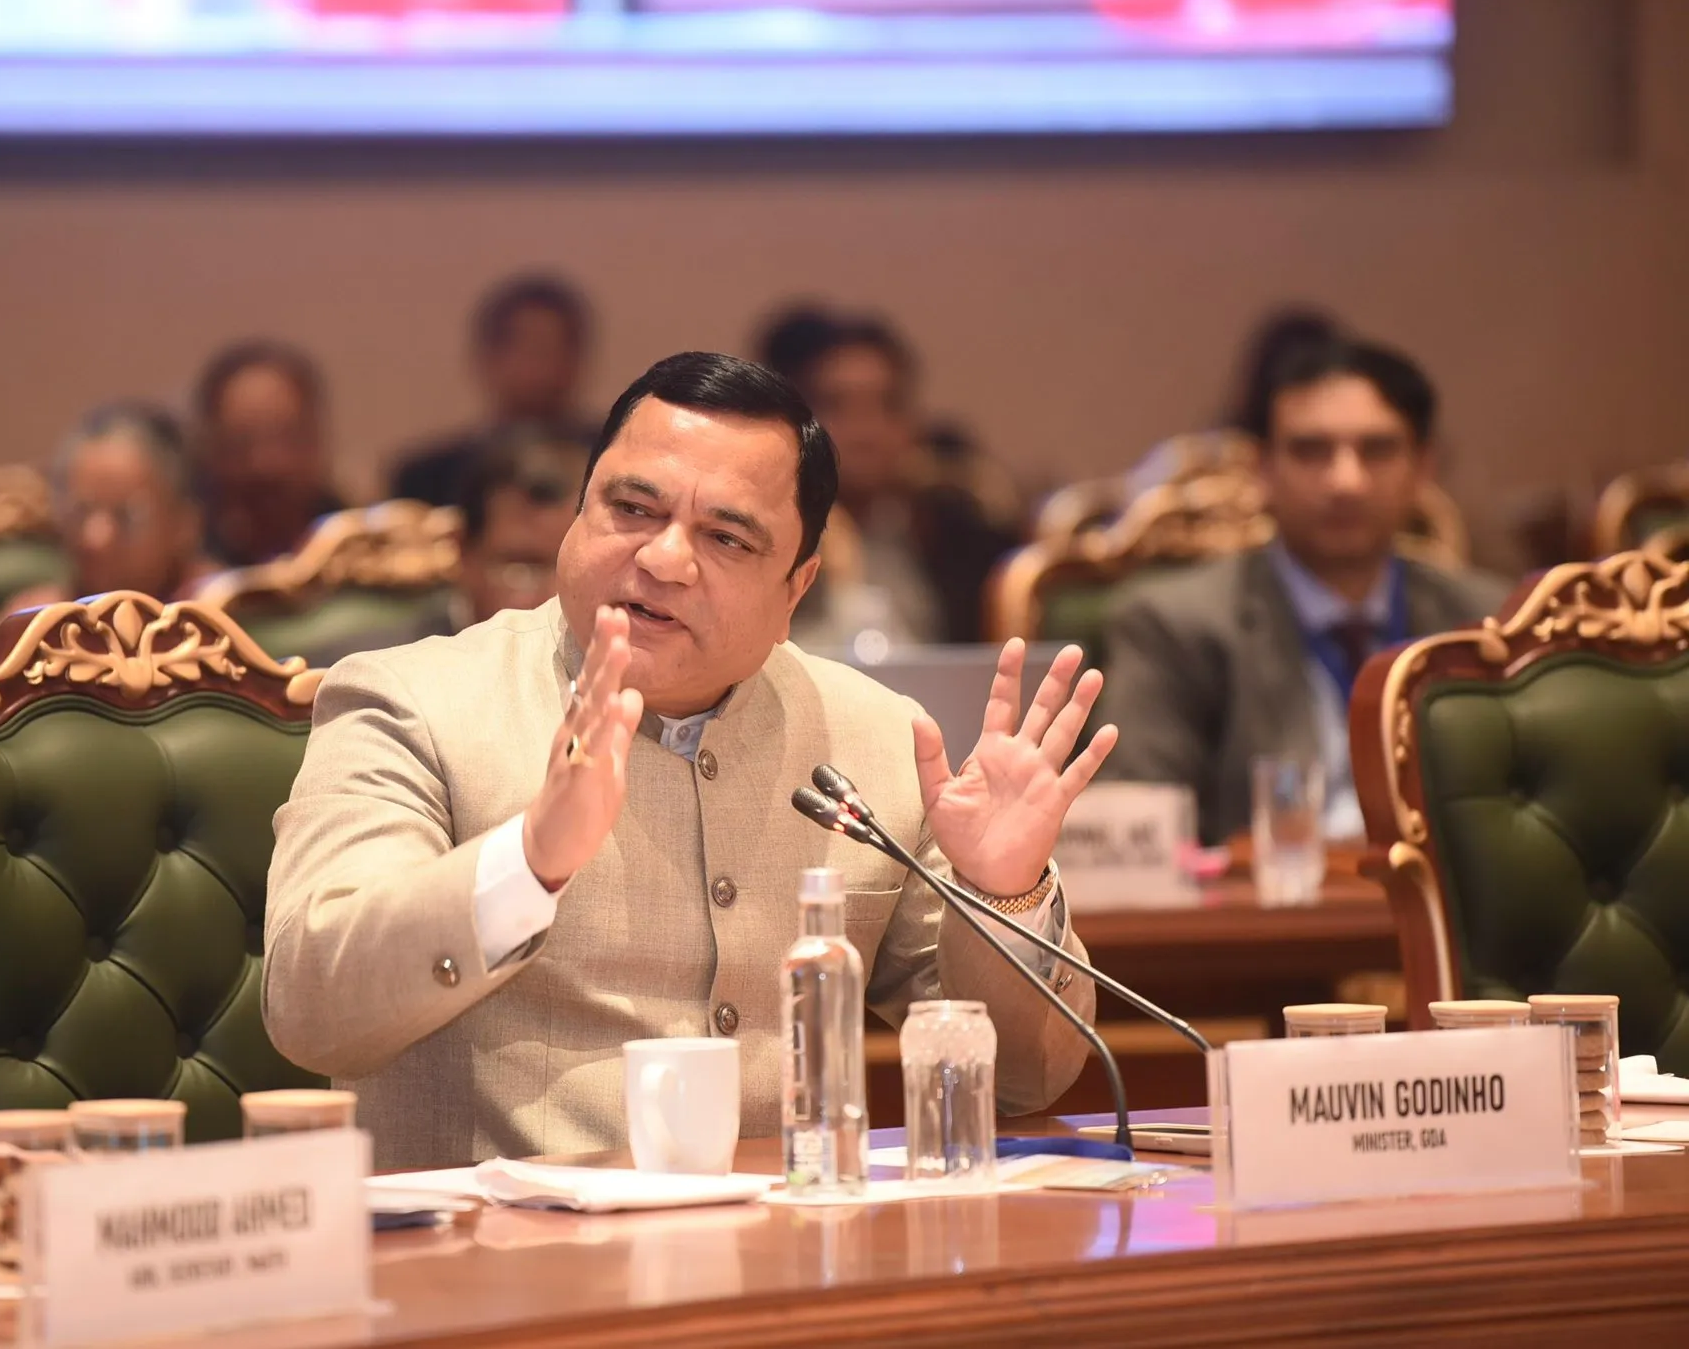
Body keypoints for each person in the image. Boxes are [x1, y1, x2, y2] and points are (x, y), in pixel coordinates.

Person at [265, 351, 1113, 1170]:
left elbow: (1029, 1077)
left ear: (797, 587)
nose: (664, 558)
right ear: (579, 515)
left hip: (792, 1243)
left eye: (727, 538)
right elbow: (310, 1008)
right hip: (507, 1251)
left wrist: (1004, 892)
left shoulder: (876, 738)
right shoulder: (408, 701)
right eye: (632, 509)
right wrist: (527, 862)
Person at [1098, 333, 1508, 846]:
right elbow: (1137, 833)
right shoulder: (1174, 625)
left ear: (1424, 467)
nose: (1345, 481)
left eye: (1377, 450)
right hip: (1264, 895)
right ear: (1262, 468)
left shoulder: (1490, 620)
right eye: (1311, 451)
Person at [761, 307, 1017, 647]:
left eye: (887, 405)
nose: (866, 431)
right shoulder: (765, 539)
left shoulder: (951, 533)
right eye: (837, 405)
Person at [313, 438, 584, 662]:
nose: (555, 597)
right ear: (461, 551)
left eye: (575, 566)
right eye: (525, 568)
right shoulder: (367, 672)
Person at [0, 401, 215, 627]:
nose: (95, 538)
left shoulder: (219, 619)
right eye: (80, 512)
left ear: (185, 524)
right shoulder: (32, 621)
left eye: (126, 517)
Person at [389, 273, 596, 508]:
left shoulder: (612, 461)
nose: (540, 368)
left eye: (552, 349)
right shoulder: (425, 478)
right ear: (486, 358)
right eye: (525, 349)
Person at [192, 338, 344, 568]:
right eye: (242, 443)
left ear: (317, 439)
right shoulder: (193, 567)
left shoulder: (363, 552)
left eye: (285, 437)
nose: (265, 464)